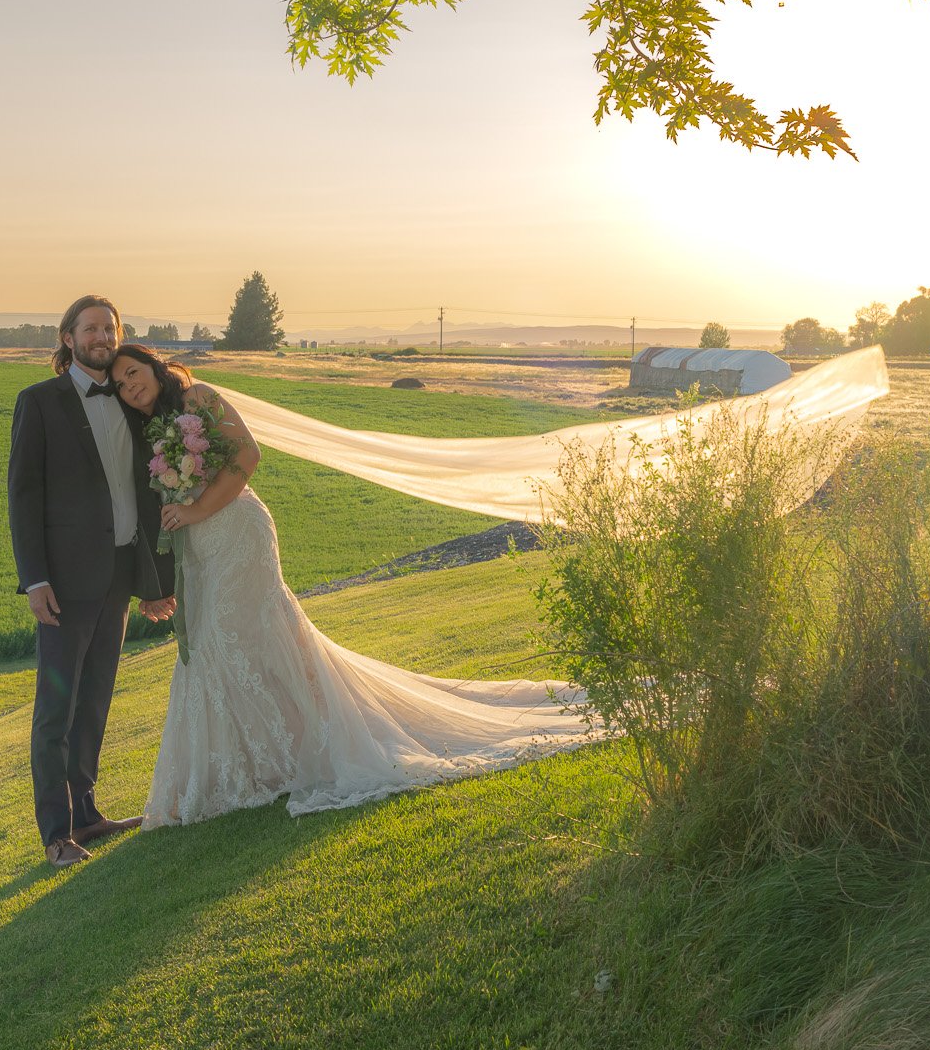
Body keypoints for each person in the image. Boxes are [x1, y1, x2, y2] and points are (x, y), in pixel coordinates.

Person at [108, 344, 600, 829]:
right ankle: (252, 767)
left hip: (238, 532)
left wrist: (195, 510)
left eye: (134, 372)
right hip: (200, 548)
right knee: (222, 648)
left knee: (237, 638)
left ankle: (287, 756)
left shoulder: (199, 399)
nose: (131, 386)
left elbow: (247, 454)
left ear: (154, 366)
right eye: (122, 384)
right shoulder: (146, 427)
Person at [7, 296, 176, 867]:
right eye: (91, 328)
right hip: (64, 584)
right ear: (68, 337)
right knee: (56, 708)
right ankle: (56, 834)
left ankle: (87, 814)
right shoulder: (39, 402)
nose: (102, 336)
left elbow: (148, 494)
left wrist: (154, 580)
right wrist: (35, 580)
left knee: (96, 700)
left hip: (119, 575)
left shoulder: (131, 402)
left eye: (111, 328)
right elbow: (23, 497)